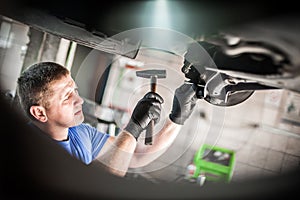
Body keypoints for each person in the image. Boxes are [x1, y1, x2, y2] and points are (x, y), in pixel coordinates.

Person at [16, 61, 198, 177]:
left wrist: (177, 117)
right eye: (67, 97)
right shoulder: (30, 155)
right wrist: (133, 128)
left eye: (75, 91)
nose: (79, 100)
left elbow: (134, 156)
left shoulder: (80, 132)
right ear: (39, 113)